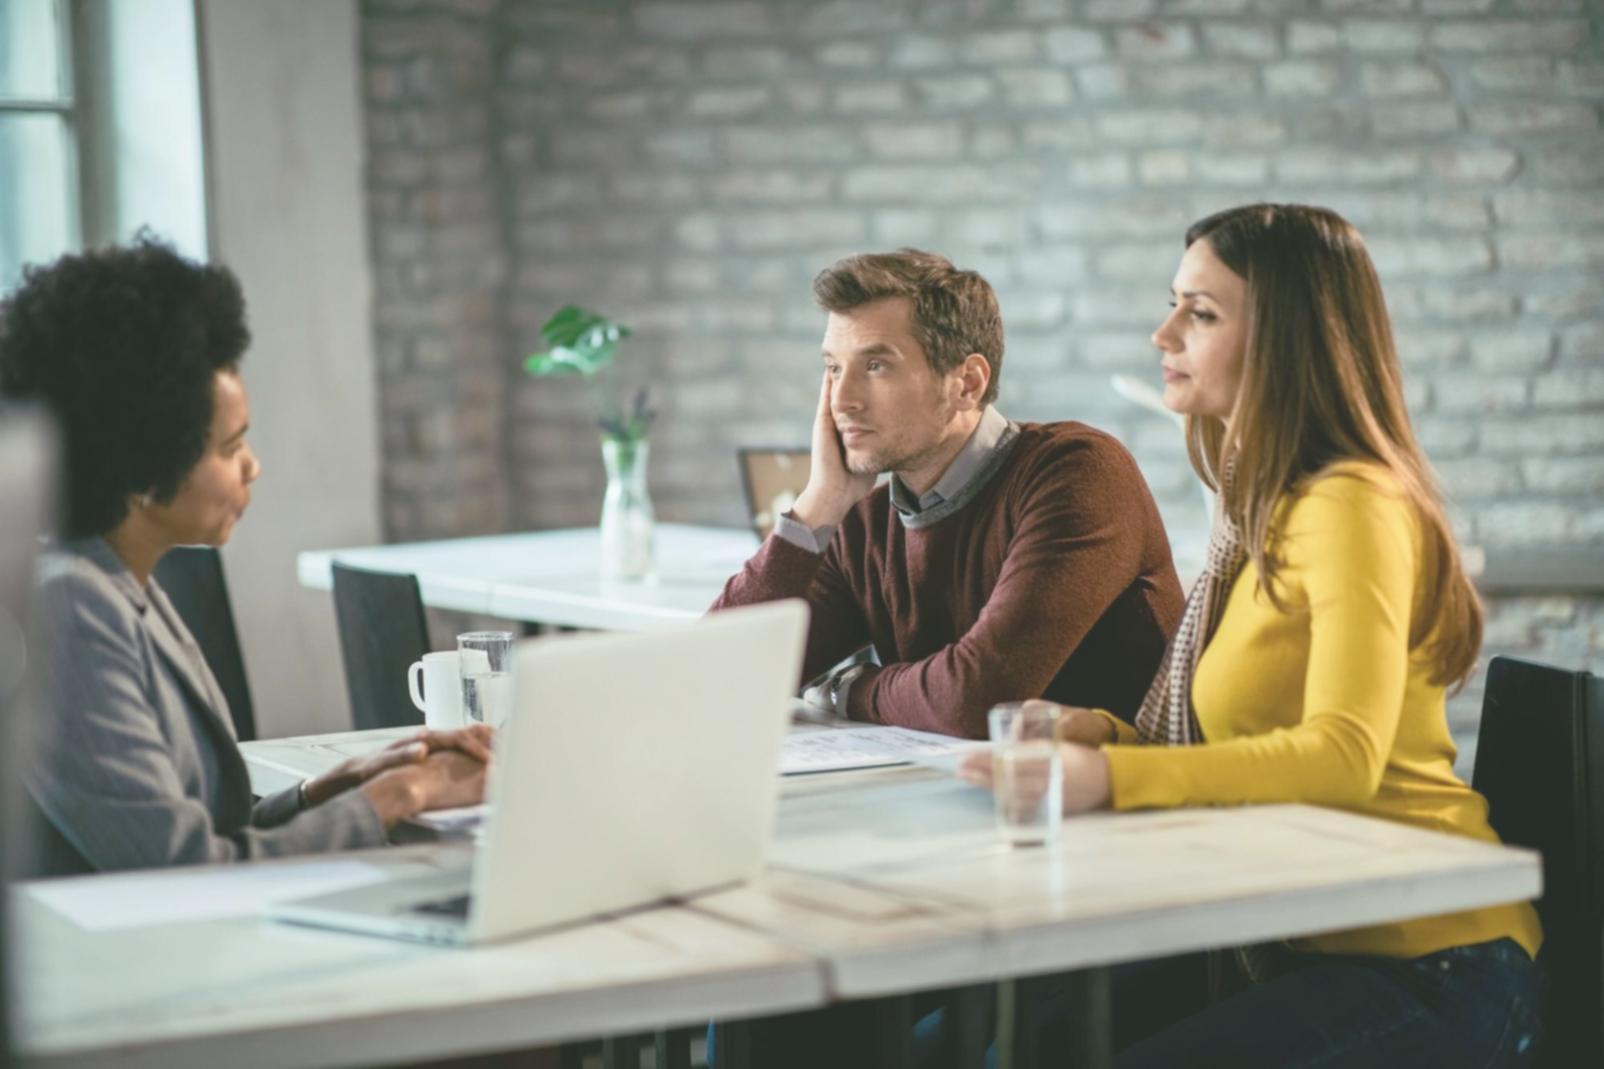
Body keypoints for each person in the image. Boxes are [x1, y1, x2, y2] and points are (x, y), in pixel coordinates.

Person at [962, 204, 1543, 1067]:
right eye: (1174, 303)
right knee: (988, 1042)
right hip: (1301, 939)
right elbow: (1250, 736)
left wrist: (1111, 776)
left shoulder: (1351, 502)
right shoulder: (1260, 511)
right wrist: (1105, 732)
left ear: (1286, 337)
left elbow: (1342, 754)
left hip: (1432, 962)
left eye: (1201, 313)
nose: (1163, 332)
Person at [0, 238, 491, 877]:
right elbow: (183, 868)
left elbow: (218, 826)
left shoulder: (122, 582)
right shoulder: (71, 608)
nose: (253, 466)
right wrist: (406, 795)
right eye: (231, 448)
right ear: (146, 470)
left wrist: (349, 780)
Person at [712, 249, 1184, 737]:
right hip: (962, 795)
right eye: (833, 367)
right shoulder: (864, 521)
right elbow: (717, 677)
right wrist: (819, 503)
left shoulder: (1077, 473)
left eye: (875, 365)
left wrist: (851, 689)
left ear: (967, 383)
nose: (842, 398)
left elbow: (979, 698)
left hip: (1117, 804)